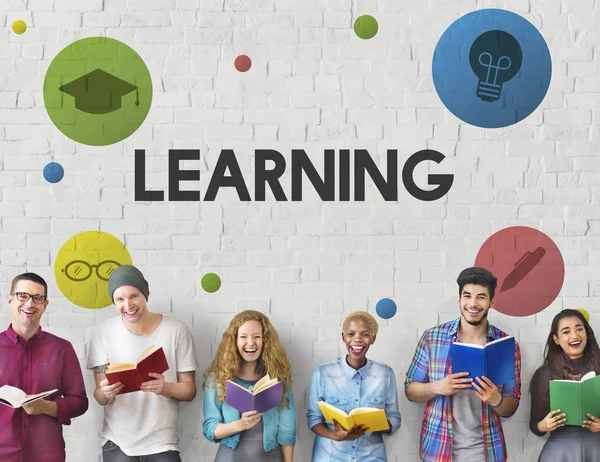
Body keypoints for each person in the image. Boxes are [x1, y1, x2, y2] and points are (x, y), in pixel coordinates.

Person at [405, 266, 521, 462]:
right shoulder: (432, 338)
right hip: (438, 450)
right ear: (459, 300)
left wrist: (496, 400)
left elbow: (511, 407)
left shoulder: (507, 346)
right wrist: (438, 387)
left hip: (486, 452)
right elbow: (410, 390)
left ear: (492, 301)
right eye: (467, 296)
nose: (473, 303)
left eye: (481, 297)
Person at [87, 265, 198, 461]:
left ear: (145, 294)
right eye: (120, 299)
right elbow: (99, 396)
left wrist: (167, 388)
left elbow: (190, 391)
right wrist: (105, 392)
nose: (128, 304)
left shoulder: (177, 330)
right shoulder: (103, 333)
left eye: (134, 296)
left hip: (163, 443)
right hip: (117, 443)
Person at [0, 272, 88, 462]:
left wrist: (47, 407)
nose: (29, 303)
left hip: (47, 455)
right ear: (10, 300)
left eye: (37, 298)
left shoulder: (62, 348)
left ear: (45, 305)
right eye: (22, 296)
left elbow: (80, 402)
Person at [307, 311, 401, 461]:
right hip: (330, 456)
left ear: (373, 338)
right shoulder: (323, 372)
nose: (357, 339)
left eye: (364, 334)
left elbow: (394, 418)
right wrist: (334, 435)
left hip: (371, 457)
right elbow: (313, 419)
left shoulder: (385, 374)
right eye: (351, 334)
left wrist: (378, 424)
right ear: (343, 337)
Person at [202, 310, 296, 461]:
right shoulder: (217, 379)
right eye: (243, 337)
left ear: (265, 341)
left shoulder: (279, 379)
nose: (250, 343)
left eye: (257, 337)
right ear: (234, 341)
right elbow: (209, 428)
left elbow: (287, 431)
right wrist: (241, 424)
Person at [529, 309, 600, 461]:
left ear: (586, 333)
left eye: (579, 329)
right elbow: (534, 425)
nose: (574, 336)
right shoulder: (544, 374)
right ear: (556, 339)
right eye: (566, 332)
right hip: (560, 452)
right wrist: (544, 425)